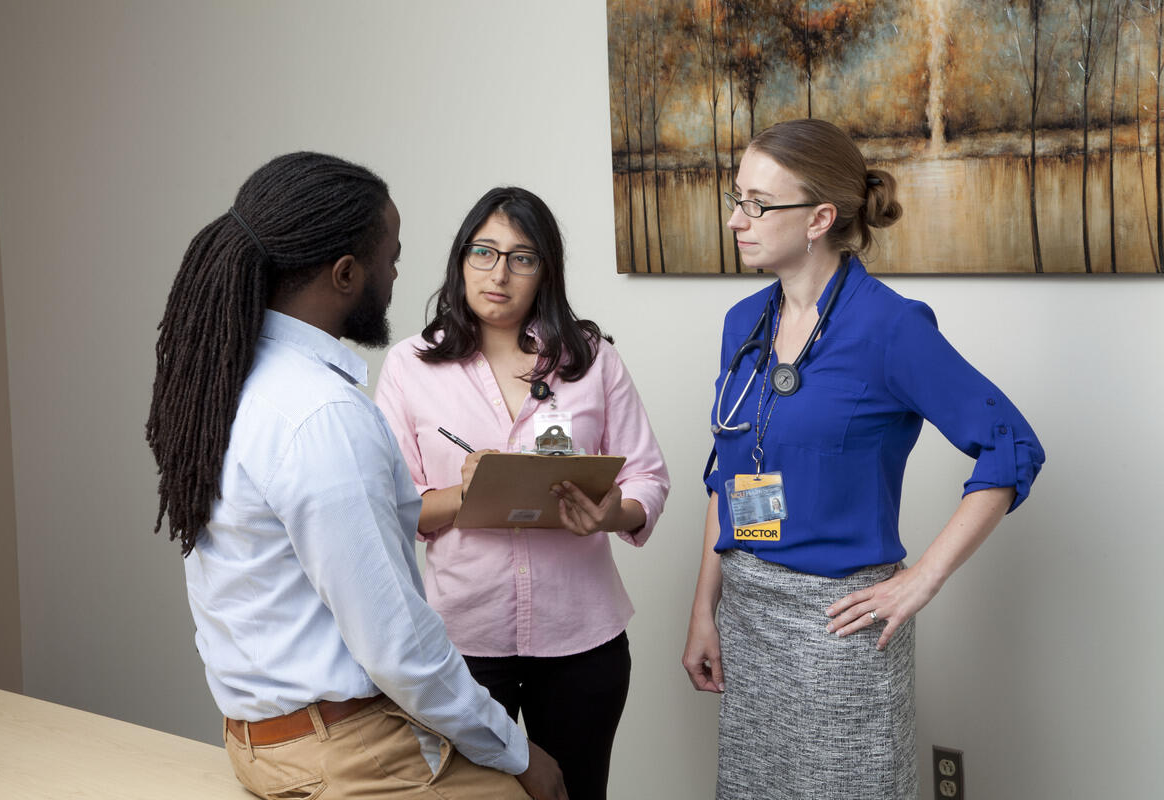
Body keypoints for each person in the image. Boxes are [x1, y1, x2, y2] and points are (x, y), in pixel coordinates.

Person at [145, 153, 567, 800]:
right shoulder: (325, 416)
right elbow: (398, 648)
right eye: (391, 258)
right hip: (345, 753)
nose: (397, 275)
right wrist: (518, 752)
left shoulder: (223, 377)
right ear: (347, 275)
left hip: (259, 740)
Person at [681, 120, 1045, 800]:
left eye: (757, 204)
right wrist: (705, 608)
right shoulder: (743, 323)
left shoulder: (892, 327)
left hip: (837, 628)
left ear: (820, 217)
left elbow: (1011, 446)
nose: (736, 219)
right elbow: (727, 477)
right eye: (736, 198)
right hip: (748, 615)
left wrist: (922, 581)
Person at [375, 186, 669, 800]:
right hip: (461, 643)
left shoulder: (590, 360)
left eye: (522, 257)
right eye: (484, 253)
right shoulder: (410, 365)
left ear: (546, 271)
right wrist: (466, 492)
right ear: (460, 261)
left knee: (578, 792)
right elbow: (393, 508)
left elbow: (647, 477)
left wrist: (612, 511)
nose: (499, 273)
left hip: (582, 639)